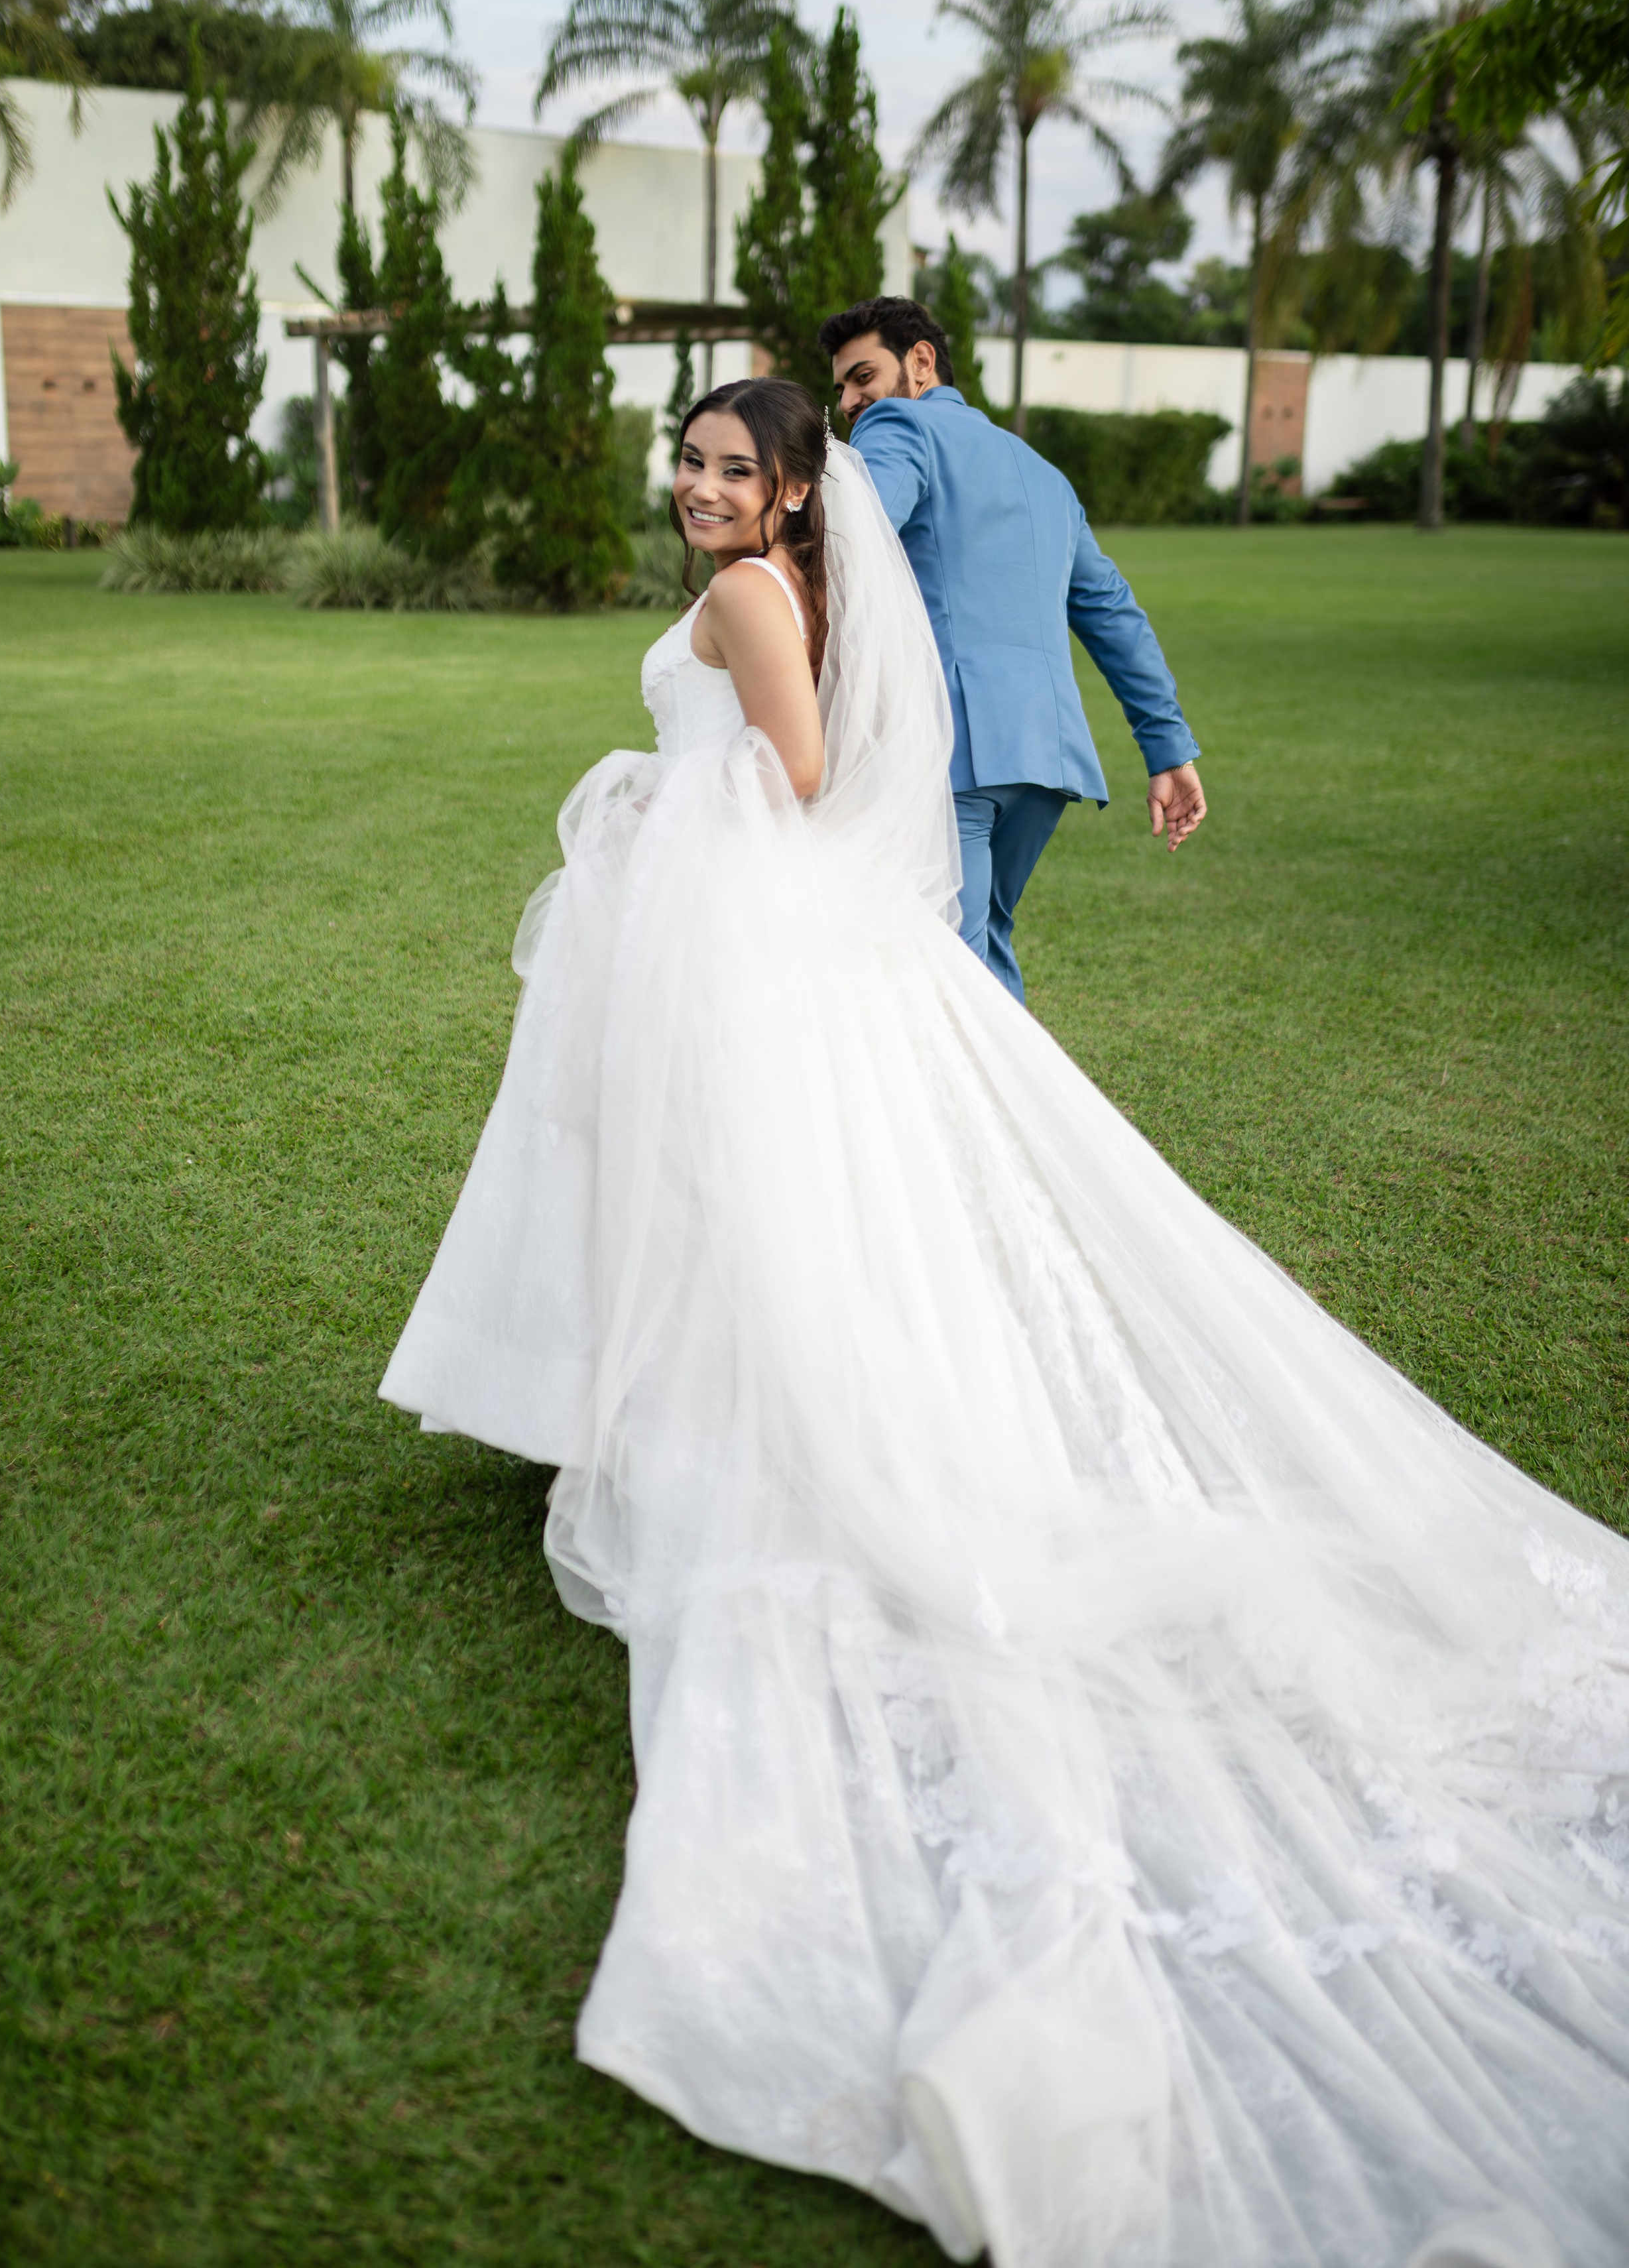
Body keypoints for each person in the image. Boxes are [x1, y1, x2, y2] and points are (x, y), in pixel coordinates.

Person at [381, 377, 1629, 2268]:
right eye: (694, 463)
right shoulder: (811, 580)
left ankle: (704, 1422)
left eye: (737, 468)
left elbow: (791, 780)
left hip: (756, 944)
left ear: (799, 489)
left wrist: (640, 798)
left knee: (744, 1211)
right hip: (822, 949)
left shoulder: (748, 603)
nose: (704, 490)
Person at [820, 294, 1206, 1004]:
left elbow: (855, 539)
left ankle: (1000, 1117)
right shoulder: (1042, 473)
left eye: (862, 377)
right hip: (1043, 759)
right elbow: (1110, 609)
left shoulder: (896, 425)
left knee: (953, 973)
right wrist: (1168, 748)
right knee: (982, 947)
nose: (849, 400)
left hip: (949, 747)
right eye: (841, 386)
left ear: (921, 362)